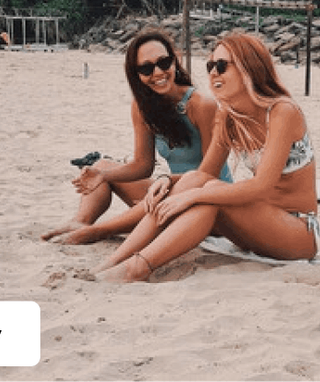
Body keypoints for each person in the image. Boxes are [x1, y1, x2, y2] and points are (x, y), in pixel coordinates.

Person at [94, 33, 320, 283]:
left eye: (222, 65)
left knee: (207, 194)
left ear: (248, 67)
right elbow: (204, 173)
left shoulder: (282, 112)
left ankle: (138, 267)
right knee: (197, 181)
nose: (213, 73)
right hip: (257, 222)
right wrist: (168, 180)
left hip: (298, 230)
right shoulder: (228, 115)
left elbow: (260, 186)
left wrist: (194, 194)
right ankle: (116, 260)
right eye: (210, 66)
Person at [41, 29, 231, 244]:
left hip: (209, 202)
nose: (158, 72)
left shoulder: (202, 106)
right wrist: (103, 176)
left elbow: (208, 176)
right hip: (170, 191)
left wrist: (165, 188)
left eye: (164, 62)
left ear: (174, 62)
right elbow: (143, 165)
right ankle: (81, 221)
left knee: (159, 194)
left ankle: (99, 231)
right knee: (102, 166)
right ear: (136, 74)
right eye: (146, 68)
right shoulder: (142, 108)